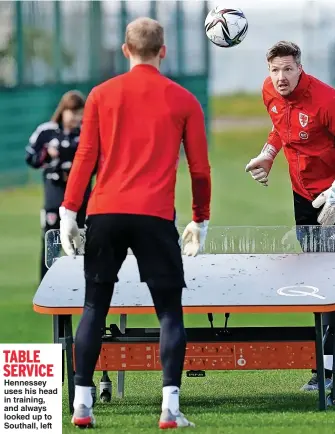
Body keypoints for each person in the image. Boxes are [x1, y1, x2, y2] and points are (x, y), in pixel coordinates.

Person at [58, 17, 211, 429]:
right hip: (155, 216)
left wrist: (68, 212)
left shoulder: (101, 95)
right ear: (163, 51)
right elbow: (200, 170)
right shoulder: (184, 100)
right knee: (169, 314)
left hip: (105, 212)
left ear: (125, 50)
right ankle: (169, 409)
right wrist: (201, 218)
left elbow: (85, 157)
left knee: (93, 306)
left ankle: (83, 405)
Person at [245, 41, 335, 391]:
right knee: (314, 278)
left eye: (288, 69)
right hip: (302, 196)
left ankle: (328, 370)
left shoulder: (327, 101)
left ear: (300, 67)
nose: (281, 77)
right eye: (274, 70)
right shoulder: (269, 91)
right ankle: (326, 360)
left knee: (333, 278)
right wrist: (268, 155)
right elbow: (280, 129)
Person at [25, 90, 92, 282]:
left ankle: (83, 285)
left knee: (81, 241)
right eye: (73, 112)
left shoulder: (87, 133)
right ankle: (48, 285)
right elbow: (31, 157)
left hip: (81, 197)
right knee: (52, 242)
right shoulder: (47, 131)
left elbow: (97, 162)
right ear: (63, 111)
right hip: (55, 195)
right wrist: (47, 154)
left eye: (80, 113)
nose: (76, 118)